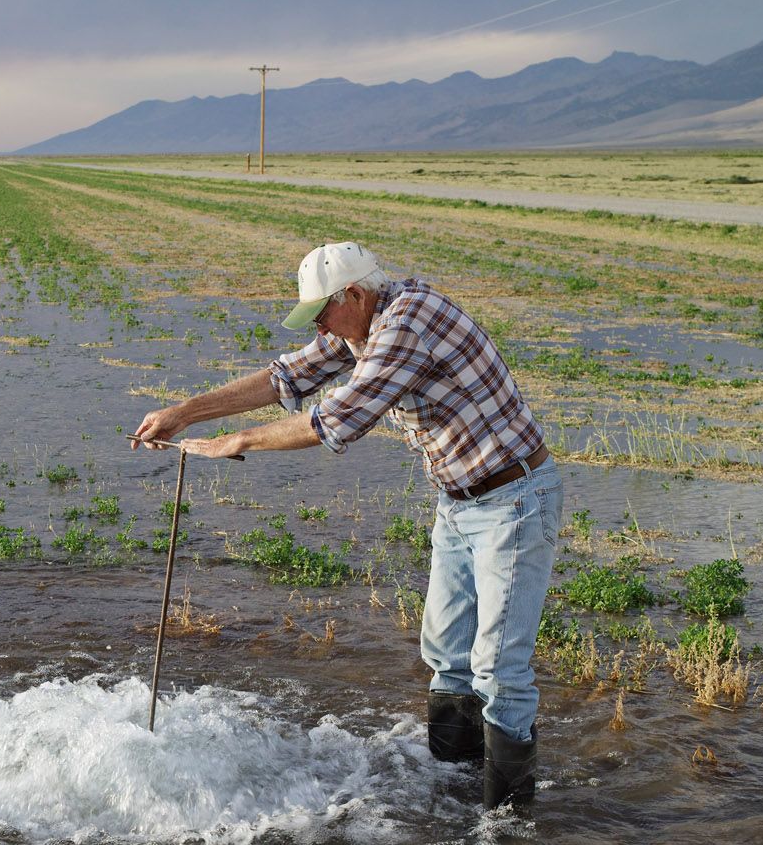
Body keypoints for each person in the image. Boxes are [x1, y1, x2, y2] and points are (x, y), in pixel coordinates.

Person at [131, 242, 562, 809]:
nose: (321, 330)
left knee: (498, 668)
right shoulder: (362, 320)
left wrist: (236, 441)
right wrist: (186, 411)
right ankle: (452, 791)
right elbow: (285, 377)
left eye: (322, 314)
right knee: (446, 653)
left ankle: (506, 831)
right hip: (458, 502)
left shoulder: (408, 322)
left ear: (354, 295)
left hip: (511, 499)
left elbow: (340, 418)